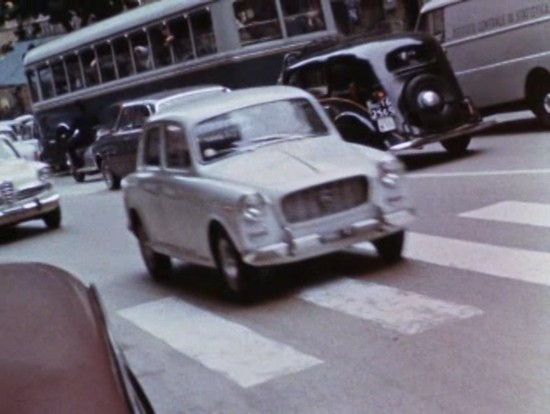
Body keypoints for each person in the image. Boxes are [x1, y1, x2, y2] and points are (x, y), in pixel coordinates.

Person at [66, 101, 97, 168]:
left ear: (77, 109)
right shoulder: (92, 115)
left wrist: (68, 136)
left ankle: (77, 164)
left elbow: (72, 129)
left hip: (84, 137)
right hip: (94, 136)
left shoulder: (77, 117)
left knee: (69, 146)